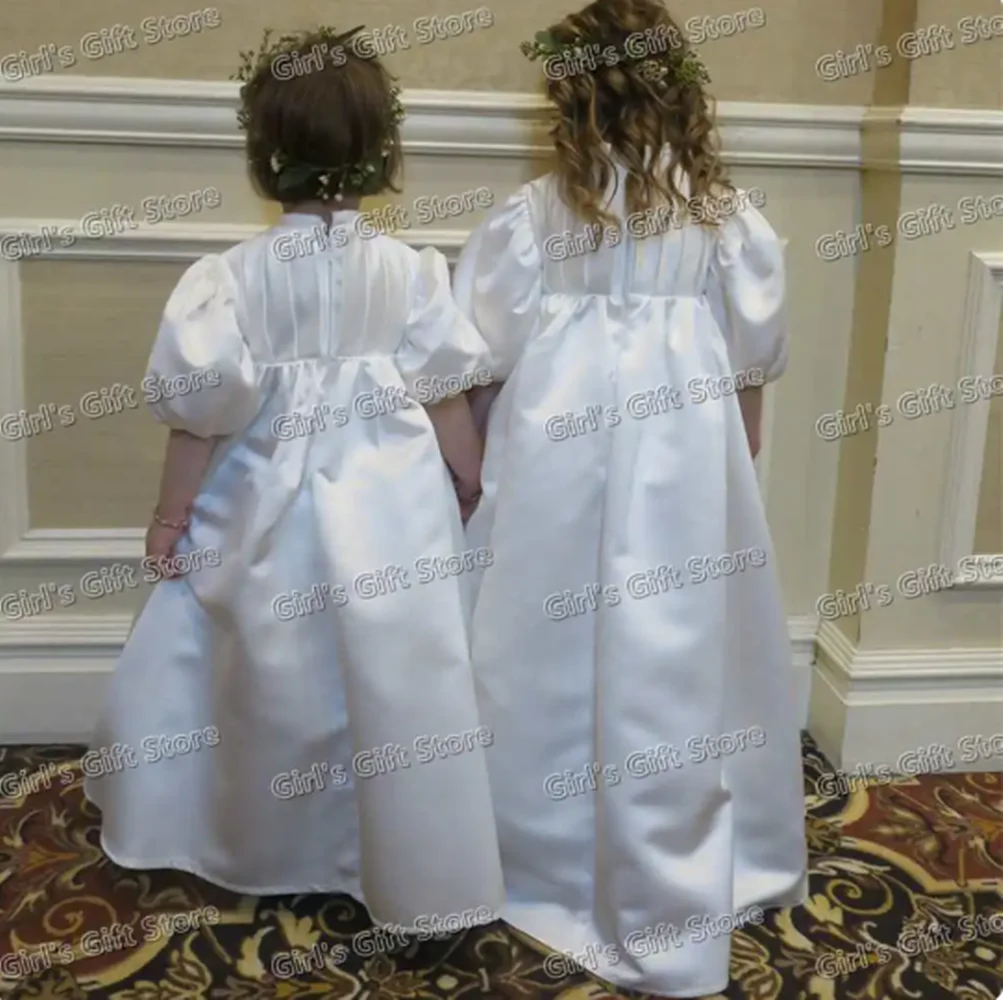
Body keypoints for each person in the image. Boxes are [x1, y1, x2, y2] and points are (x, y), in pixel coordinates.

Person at [84, 26, 504, 931]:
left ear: (262, 153)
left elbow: (202, 415)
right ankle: (391, 842)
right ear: (379, 152)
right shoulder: (409, 273)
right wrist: (468, 480)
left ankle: (248, 831)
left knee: (251, 659)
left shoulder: (229, 280)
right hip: (387, 509)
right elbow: (442, 396)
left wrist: (170, 516)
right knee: (391, 669)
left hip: (260, 504)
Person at [452, 0, 808, 995]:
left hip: (555, 457)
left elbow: (480, 363)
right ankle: (674, 838)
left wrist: (473, 474)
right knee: (677, 645)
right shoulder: (725, 219)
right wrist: (740, 477)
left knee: (539, 641)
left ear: (570, 99)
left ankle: (532, 841)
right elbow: (748, 376)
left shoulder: (532, 218)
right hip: (686, 465)